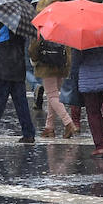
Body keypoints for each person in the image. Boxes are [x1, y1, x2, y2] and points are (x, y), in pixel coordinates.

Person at [28, 8, 76, 140]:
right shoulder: (63, 24)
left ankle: (68, 123)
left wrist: (34, 59)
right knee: (53, 96)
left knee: (52, 96)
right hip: (61, 64)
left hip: (46, 65)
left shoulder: (42, 24)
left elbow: (33, 48)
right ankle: (49, 127)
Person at [74, 30, 103, 159]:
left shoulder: (81, 36)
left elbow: (76, 60)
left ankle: (100, 146)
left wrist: (73, 76)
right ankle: (101, 144)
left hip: (89, 78)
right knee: (98, 108)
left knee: (93, 112)